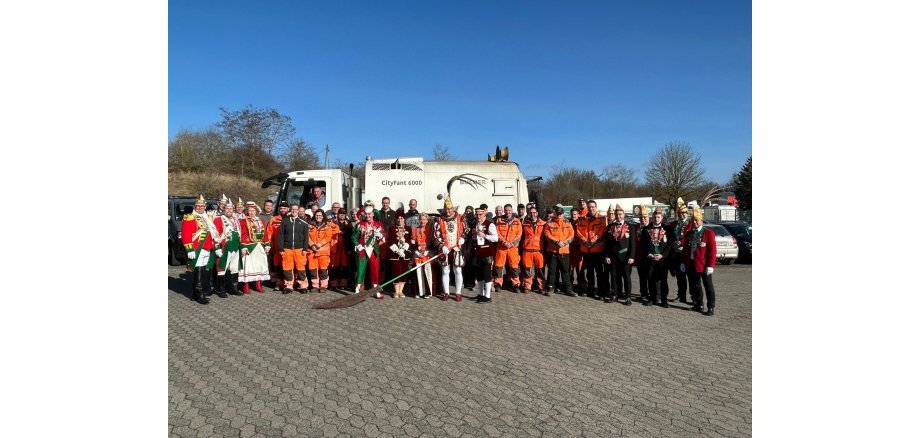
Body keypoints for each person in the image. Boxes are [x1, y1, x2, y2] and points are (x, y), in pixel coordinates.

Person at [182, 195, 219, 304]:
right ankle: (199, 294)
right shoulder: (189, 217)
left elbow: (212, 233)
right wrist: (189, 249)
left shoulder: (207, 217)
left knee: (202, 271)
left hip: (207, 248)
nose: (200, 208)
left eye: (202, 206)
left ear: (205, 206)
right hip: (197, 248)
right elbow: (186, 234)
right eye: (198, 206)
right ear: (194, 206)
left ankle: (195, 293)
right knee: (198, 271)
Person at [681, 208, 717, 315]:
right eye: (693, 220)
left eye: (697, 220)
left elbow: (712, 251)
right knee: (695, 285)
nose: (695, 222)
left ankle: (711, 306)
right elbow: (685, 250)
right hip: (691, 263)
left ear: (701, 220)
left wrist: (710, 265)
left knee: (708, 285)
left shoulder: (708, 233)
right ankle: (699, 304)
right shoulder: (689, 233)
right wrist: (683, 262)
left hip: (704, 265)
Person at [640, 207, 672, 307]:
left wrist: (662, 255)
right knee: (651, 279)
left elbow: (669, 244)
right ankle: (653, 298)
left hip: (662, 259)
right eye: (654, 217)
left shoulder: (668, 229)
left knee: (663, 280)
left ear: (661, 217)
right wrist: (648, 254)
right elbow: (643, 244)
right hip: (650, 258)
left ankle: (664, 299)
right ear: (652, 218)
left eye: (658, 217)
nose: (656, 219)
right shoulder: (646, 229)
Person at [604, 204, 635, 304]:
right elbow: (607, 243)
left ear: (624, 214)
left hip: (625, 256)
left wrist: (631, 256)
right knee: (614, 277)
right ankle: (615, 295)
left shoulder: (630, 226)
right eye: (617, 214)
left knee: (626, 277)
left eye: (620, 214)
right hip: (613, 256)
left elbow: (633, 244)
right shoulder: (610, 226)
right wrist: (607, 255)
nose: (618, 216)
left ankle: (628, 296)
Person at [576, 200, 607, 298]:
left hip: (597, 250)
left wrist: (593, 241)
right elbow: (578, 231)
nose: (591, 208)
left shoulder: (602, 218)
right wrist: (585, 241)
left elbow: (602, 231)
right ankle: (590, 291)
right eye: (589, 207)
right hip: (586, 250)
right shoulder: (582, 219)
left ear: (596, 207)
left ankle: (601, 291)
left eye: (593, 207)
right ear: (587, 208)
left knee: (599, 272)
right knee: (589, 272)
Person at [436, 196, 465, 301]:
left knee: (457, 270)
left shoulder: (460, 218)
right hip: (446, 249)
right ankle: (446, 293)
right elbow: (436, 235)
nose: (448, 211)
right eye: (446, 209)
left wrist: (463, 238)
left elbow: (466, 230)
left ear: (453, 209)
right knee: (445, 271)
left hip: (456, 249)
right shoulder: (439, 220)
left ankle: (458, 293)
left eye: (449, 209)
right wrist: (442, 245)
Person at [353, 206, 385, 299]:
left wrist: (380, 235)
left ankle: (375, 291)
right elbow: (354, 237)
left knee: (375, 270)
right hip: (362, 250)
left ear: (373, 214)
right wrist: (357, 244)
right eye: (366, 214)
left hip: (373, 251)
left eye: (370, 214)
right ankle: (357, 290)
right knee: (360, 270)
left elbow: (384, 236)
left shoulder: (378, 225)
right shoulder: (360, 225)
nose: (368, 216)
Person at [277, 204, 310, 294]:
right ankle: (289, 286)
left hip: (300, 249)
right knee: (287, 268)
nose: (294, 211)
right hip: (287, 248)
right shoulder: (285, 221)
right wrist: (281, 248)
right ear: (290, 210)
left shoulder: (303, 222)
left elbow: (306, 237)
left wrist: (305, 248)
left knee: (301, 268)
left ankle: (303, 285)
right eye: (292, 209)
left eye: (296, 209)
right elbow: (280, 235)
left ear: (298, 210)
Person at [239, 202, 271, 294]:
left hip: (260, 246)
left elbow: (264, 234)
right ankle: (246, 285)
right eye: (250, 211)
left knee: (260, 266)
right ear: (247, 212)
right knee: (248, 266)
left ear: (256, 211)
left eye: (253, 210)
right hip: (250, 247)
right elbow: (243, 234)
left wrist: (267, 244)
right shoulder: (243, 221)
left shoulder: (261, 220)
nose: (252, 212)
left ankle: (258, 284)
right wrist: (244, 247)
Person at [214, 201, 244, 297]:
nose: (229, 211)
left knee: (234, 268)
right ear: (224, 209)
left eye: (231, 209)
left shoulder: (236, 220)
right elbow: (215, 235)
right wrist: (217, 247)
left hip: (236, 247)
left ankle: (233, 287)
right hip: (225, 247)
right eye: (227, 209)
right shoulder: (219, 219)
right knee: (222, 268)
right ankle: (220, 289)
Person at [543, 205, 575, 296]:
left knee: (565, 271)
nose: (559, 215)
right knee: (552, 271)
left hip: (564, 251)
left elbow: (572, 234)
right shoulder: (549, 223)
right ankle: (550, 288)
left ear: (563, 214)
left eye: (561, 213)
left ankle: (568, 289)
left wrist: (564, 243)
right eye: (557, 213)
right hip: (552, 251)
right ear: (555, 213)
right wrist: (557, 242)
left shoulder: (567, 223)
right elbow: (547, 235)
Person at [470, 204, 499, 303]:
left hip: (486, 253)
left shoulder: (489, 224)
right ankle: (481, 294)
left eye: (480, 214)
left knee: (487, 275)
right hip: (477, 253)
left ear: (484, 214)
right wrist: (474, 237)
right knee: (479, 276)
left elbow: (495, 238)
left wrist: (485, 235)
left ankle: (488, 296)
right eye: (477, 214)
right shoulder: (475, 224)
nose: (478, 216)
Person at [493, 204, 523, 292]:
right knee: (498, 266)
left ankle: (516, 284)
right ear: (504, 211)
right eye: (506, 210)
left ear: (512, 210)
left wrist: (512, 243)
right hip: (501, 247)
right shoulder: (498, 221)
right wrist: (503, 242)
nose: (508, 212)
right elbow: (496, 233)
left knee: (514, 266)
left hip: (513, 248)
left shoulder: (517, 221)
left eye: (509, 210)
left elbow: (519, 234)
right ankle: (498, 283)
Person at [668, 198, 693, 304]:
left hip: (687, 253)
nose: (681, 214)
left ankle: (694, 298)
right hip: (676, 253)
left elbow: (691, 236)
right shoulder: (673, 224)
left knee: (691, 277)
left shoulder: (691, 223)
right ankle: (681, 295)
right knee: (680, 277)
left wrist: (681, 242)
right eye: (679, 213)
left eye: (683, 213)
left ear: (687, 213)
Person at [308, 210, 336, 293]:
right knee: (313, 270)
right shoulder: (310, 226)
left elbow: (328, 238)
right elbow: (307, 237)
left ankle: (323, 286)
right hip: (312, 252)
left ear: (323, 216)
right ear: (314, 216)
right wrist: (312, 245)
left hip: (323, 253)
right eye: (317, 215)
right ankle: (315, 285)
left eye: (320, 215)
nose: (318, 217)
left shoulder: (327, 226)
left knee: (323, 270)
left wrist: (318, 245)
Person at [520, 205, 546, 293]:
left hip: (539, 251)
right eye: (531, 213)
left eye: (534, 212)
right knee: (527, 270)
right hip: (527, 250)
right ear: (528, 214)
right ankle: (527, 286)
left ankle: (541, 287)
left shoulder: (543, 224)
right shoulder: (524, 224)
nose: (532, 214)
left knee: (540, 270)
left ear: (537, 213)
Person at [266, 201, 291, 290]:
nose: (283, 210)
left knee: (288, 266)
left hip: (289, 248)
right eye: (281, 208)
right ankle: (278, 283)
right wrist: (270, 246)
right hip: (276, 248)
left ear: (288, 209)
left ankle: (289, 284)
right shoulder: (274, 219)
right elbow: (269, 233)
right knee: (278, 266)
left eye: (284, 208)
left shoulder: (291, 219)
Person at [410, 213, 435, 298]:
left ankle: (428, 292)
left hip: (427, 254)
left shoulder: (430, 230)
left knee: (426, 273)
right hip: (417, 254)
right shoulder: (415, 229)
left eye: (424, 219)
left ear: (427, 220)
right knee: (417, 273)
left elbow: (433, 243)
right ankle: (418, 292)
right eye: (421, 219)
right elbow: (412, 243)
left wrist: (427, 252)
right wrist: (416, 252)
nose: (422, 221)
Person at [387, 212, 412, 298]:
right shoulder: (392, 228)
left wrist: (404, 249)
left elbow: (410, 240)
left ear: (404, 219)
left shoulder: (408, 228)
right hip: (395, 254)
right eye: (398, 218)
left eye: (401, 218)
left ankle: (401, 291)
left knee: (403, 272)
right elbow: (389, 240)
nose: (400, 220)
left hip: (405, 254)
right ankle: (396, 291)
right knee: (396, 271)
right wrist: (397, 250)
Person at [634, 206, 652, 305]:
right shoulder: (636, 227)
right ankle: (643, 293)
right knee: (642, 276)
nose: (643, 219)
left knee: (650, 276)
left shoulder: (652, 227)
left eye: (645, 217)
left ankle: (651, 293)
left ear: (648, 217)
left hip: (649, 256)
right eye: (641, 217)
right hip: (639, 256)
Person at [330, 209, 351, 290]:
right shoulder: (333, 223)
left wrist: (350, 249)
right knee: (334, 266)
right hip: (335, 246)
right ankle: (333, 284)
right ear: (337, 214)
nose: (342, 215)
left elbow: (350, 236)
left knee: (345, 266)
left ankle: (343, 283)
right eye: (340, 213)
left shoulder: (348, 223)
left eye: (343, 214)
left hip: (345, 247)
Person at [568, 208, 587, 294]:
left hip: (579, 249)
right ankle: (570, 285)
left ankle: (582, 286)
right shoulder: (567, 223)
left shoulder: (582, 223)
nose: (573, 216)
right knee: (570, 269)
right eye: (572, 214)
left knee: (580, 270)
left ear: (578, 215)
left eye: (575, 214)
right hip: (570, 249)